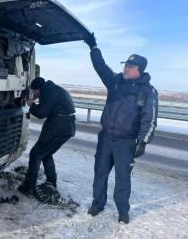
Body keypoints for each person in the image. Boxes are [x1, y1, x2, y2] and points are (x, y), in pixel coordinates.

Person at [84, 33, 158, 224]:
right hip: (106, 137)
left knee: (123, 179)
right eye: (125, 65)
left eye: (129, 66)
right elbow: (100, 67)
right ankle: (97, 203)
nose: (125, 68)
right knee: (100, 172)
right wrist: (94, 48)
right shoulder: (115, 81)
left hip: (126, 142)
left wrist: (142, 142)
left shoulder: (148, 91)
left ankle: (123, 211)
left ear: (139, 70)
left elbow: (149, 119)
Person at [18, 77, 76, 196]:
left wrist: (31, 104)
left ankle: (28, 187)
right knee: (46, 154)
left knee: (36, 154)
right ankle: (51, 182)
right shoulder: (52, 89)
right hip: (66, 126)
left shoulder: (49, 92)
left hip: (58, 127)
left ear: (38, 89)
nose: (34, 94)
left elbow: (41, 113)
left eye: (34, 92)